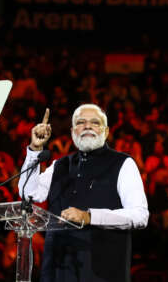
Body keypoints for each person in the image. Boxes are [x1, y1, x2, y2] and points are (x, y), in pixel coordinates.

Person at [18, 104, 149, 282]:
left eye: (95, 122)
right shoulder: (60, 165)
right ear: (73, 131)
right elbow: (29, 193)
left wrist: (89, 216)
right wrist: (34, 150)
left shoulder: (123, 164)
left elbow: (139, 215)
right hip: (57, 269)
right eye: (81, 122)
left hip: (100, 271)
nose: (87, 126)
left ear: (106, 131)